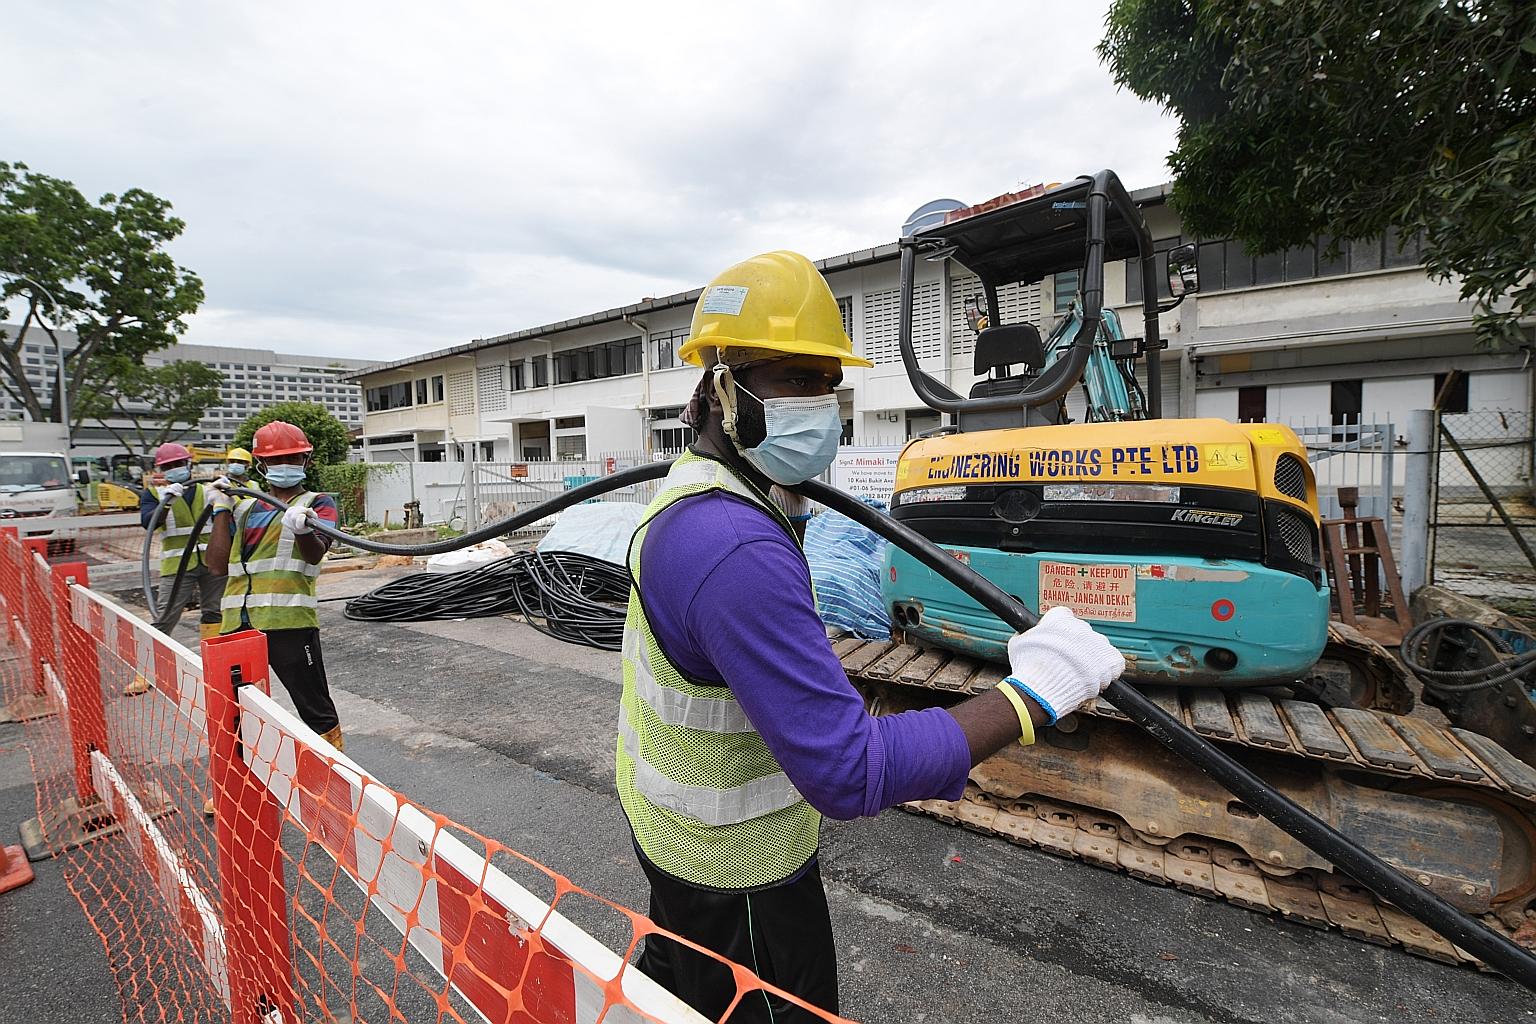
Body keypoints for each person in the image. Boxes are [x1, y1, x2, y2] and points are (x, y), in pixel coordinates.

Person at [616, 251, 1125, 1022]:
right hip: (740, 884)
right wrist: (1031, 697)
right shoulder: (735, 549)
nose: (821, 405)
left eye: (829, 384)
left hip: (677, 846)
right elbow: (849, 772)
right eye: (794, 379)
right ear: (724, 392)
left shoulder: (702, 493)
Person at [205, 421, 345, 753]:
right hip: (237, 625)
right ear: (261, 465)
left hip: (289, 624)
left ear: (306, 461)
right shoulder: (244, 505)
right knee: (236, 713)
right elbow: (215, 564)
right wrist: (221, 511)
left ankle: (335, 778)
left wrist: (302, 529)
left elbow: (313, 556)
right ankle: (237, 795)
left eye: (294, 458)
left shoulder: (318, 503)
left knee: (315, 708)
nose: (287, 465)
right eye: (278, 459)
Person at [139, 442, 224, 643]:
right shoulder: (154, 495)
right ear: (161, 470)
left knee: (215, 612)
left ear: (188, 464)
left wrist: (226, 493)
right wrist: (166, 503)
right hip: (177, 566)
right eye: (168, 466)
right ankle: (148, 668)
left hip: (212, 562)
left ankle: (212, 659)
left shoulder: (208, 490)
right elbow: (148, 522)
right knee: (164, 617)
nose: (174, 469)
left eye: (178, 463)